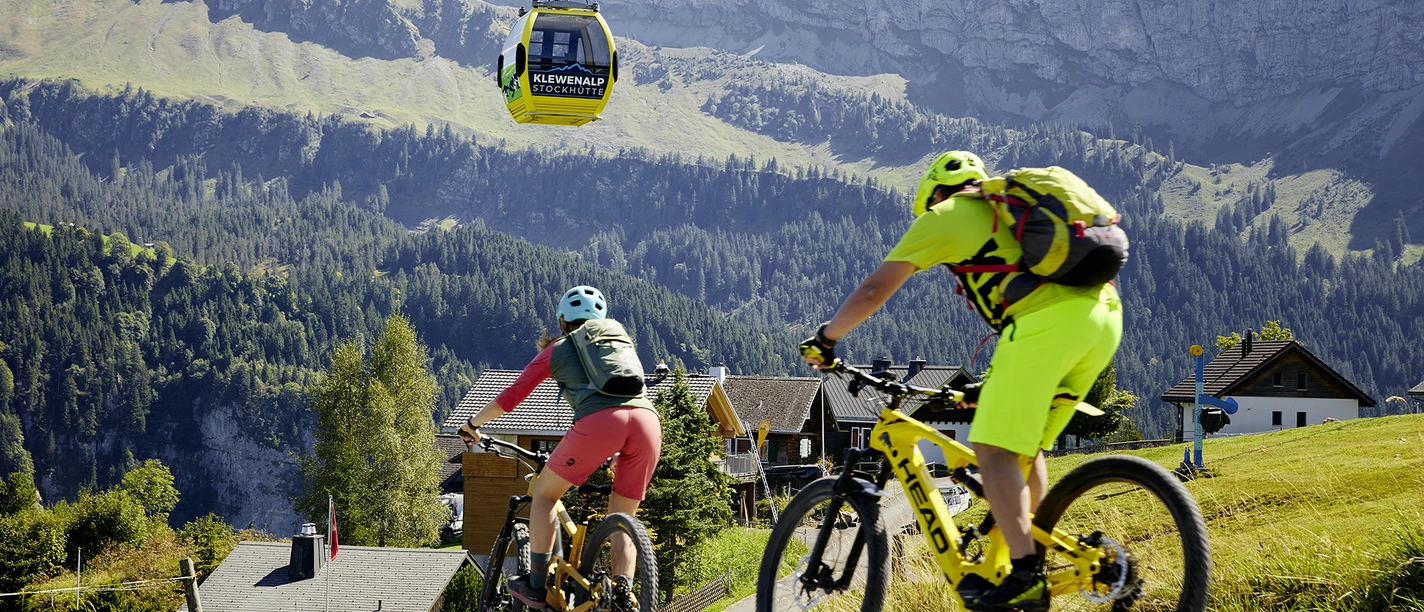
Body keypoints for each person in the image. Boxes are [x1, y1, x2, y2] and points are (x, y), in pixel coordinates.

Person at [798, 151, 1123, 612]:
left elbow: (875, 289)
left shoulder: (946, 214)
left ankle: (1027, 571)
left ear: (934, 193)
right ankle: (1027, 559)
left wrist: (826, 340)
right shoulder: (1010, 212)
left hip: (1044, 327)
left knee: (990, 449)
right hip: (1102, 320)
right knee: (1024, 451)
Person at [459, 285, 662, 609]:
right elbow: (625, 400)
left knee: (544, 494)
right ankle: (623, 591)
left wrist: (473, 424)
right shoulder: (616, 344)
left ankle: (537, 586)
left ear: (563, 322)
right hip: (648, 424)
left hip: (601, 425)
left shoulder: (560, 348)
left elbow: (511, 396)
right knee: (622, 517)